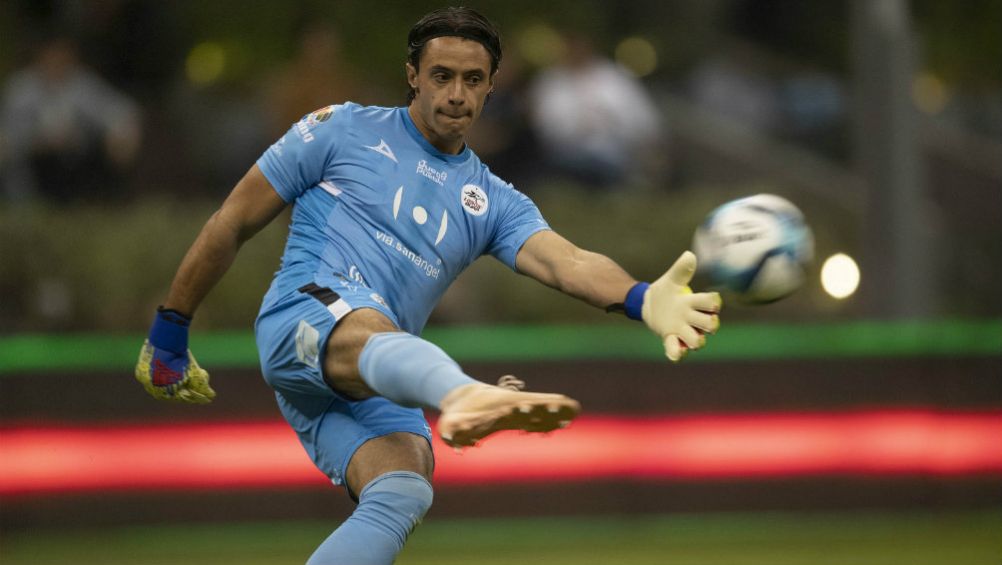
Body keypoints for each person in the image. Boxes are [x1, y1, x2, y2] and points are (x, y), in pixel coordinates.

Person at [134, 7, 721, 565]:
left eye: (473, 79)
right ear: (412, 76)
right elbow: (232, 221)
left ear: (492, 88)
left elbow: (566, 261)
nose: (456, 94)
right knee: (371, 326)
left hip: (377, 371)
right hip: (304, 317)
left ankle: (454, 393)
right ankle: (460, 394)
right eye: (441, 76)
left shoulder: (492, 199)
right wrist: (170, 330)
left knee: (402, 490)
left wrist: (643, 297)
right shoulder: (340, 129)